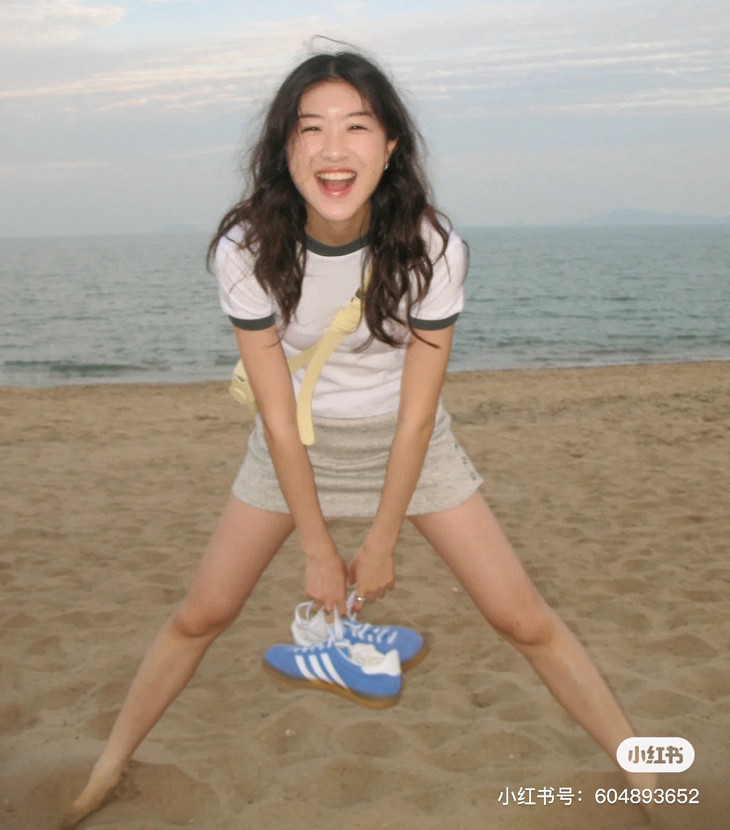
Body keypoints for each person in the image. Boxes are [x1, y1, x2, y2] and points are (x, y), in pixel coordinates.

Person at [62, 49, 641, 828]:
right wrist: (316, 549)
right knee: (202, 614)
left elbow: (416, 415)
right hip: (293, 445)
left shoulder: (433, 246)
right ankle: (105, 769)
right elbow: (276, 418)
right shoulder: (247, 246)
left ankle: (646, 775)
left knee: (523, 619)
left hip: (409, 445)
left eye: (357, 127)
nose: (334, 149)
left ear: (391, 145)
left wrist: (382, 539)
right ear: (285, 148)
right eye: (312, 129)